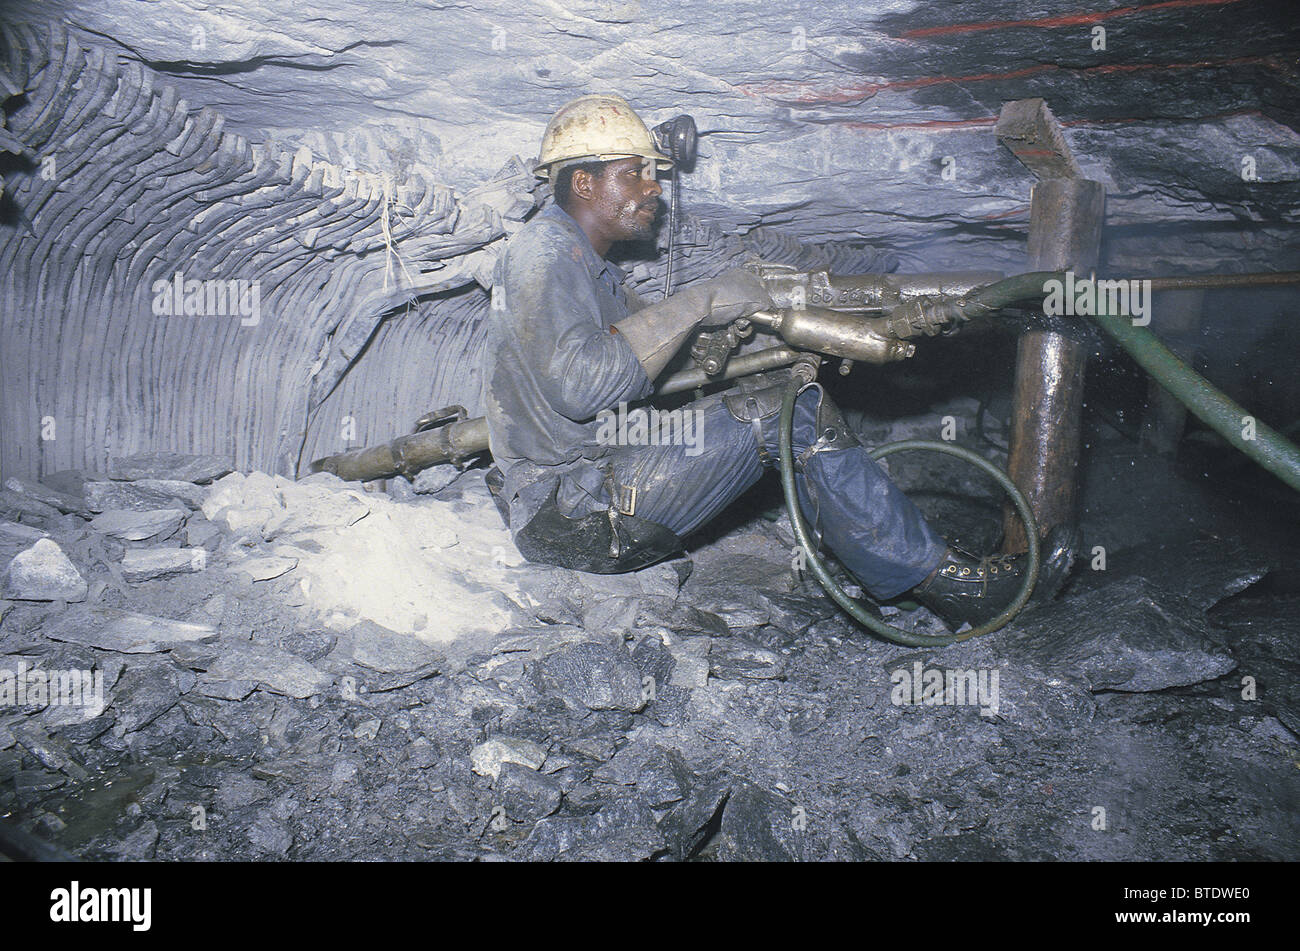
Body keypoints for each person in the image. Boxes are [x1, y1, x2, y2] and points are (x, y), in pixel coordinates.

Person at [482, 94, 1030, 628]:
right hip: (575, 511)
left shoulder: (596, 272)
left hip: (584, 491)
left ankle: (901, 569)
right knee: (785, 414)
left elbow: (649, 365)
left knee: (780, 396)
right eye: (635, 174)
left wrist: (752, 340)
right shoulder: (545, 251)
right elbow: (582, 387)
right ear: (584, 181)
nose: (654, 189)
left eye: (652, 174)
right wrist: (704, 300)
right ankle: (949, 585)